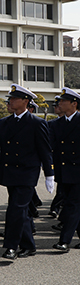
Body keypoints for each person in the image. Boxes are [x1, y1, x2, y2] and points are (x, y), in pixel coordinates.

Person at [0, 84, 54, 260]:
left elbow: (45, 151)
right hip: (9, 172)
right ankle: (29, 245)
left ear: (25, 101)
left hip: (27, 173)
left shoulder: (37, 123)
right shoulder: (5, 122)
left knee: (15, 209)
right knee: (20, 211)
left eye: (14, 99)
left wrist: (49, 174)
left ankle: (11, 247)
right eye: (10, 99)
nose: (10, 102)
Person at [50, 87, 80, 252]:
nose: (59, 104)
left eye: (63, 101)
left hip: (78, 170)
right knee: (72, 204)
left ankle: (64, 240)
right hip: (63, 171)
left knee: (72, 205)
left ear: (74, 104)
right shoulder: (56, 124)